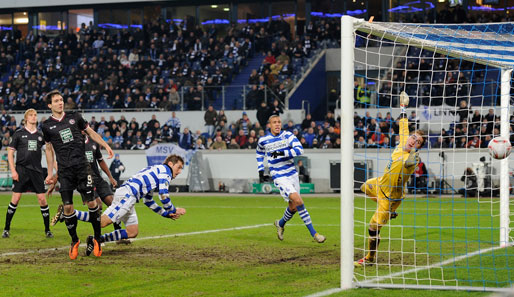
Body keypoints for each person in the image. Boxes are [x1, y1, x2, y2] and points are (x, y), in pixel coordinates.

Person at [41, 90, 114, 260]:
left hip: (82, 167)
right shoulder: (46, 126)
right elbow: (49, 150)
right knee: (67, 207)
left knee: (92, 203)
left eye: (61, 100)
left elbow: (91, 133)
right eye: (56, 101)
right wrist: (50, 172)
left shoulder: (75, 117)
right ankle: (74, 240)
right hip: (65, 171)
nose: (60, 103)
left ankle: (97, 238)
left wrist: (105, 145)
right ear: (49, 105)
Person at [355, 92, 425, 267]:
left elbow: (411, 163)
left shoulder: (413, 159)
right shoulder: (403, 142)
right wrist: (403, 107)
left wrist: (413, 158)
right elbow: (403, 124)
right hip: (379, 183)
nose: (413, 140)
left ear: (418, 147)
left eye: (418, 141)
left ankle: (370, 258)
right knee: (363, 186)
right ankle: (387, 211)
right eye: (413, 137)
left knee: (373, 227)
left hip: (391, 198)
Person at [70, 155, 186, 244]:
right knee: (103, 222)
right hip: (128, 195)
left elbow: (148, 201)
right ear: (170, 164)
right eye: (178, 167)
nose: (180, 171)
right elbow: (163, 195)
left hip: (129, 195)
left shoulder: (156, 172)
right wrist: (173, 210)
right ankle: (71, 213)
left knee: (132, 231)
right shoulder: (166, 171)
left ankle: (98, 239)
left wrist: (165, 214)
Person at [256, 115, 325, 243]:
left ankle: (280, 223)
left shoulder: (287, 136)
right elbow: (259, 154)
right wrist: (261, 170)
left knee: (293, 206)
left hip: (292, 174)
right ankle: (315, 234)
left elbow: (300, 150)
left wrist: (282, 153)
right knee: (298, 200)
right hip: (278, 175)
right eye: (274, 122)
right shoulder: (263, 140)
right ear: (269, 125)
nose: (277, 124)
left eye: (279, 122)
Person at [51, 133, 122, 233]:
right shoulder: (72, 145)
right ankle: (97, 237)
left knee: (113, 203)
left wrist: (110, 177)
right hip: (84, 180)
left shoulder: (93, 142)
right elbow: (65, 165)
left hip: (98, 179)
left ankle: (118, 233)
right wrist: (55, 179)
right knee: (98, 206)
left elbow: (101, 161)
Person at [2, 109, 53, 239]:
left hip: (37, 171)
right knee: (16, 199)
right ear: (26, 118)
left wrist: (51, 171)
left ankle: (47, 230)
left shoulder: (40, 135)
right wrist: (13, 170)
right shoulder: (18, 133)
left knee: (42, 200)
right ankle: (6, 228)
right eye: (31, 115)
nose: (34, 117)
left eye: (35, 115)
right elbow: (10, 152)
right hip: (21, 171)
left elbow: (48, 151)